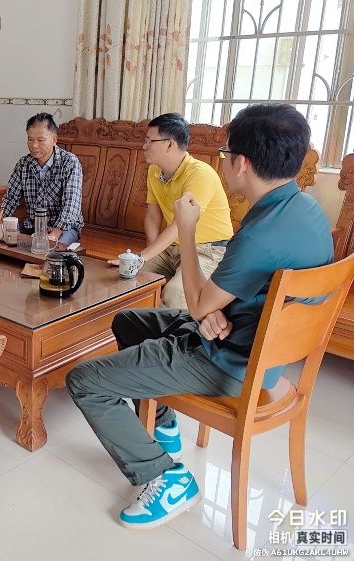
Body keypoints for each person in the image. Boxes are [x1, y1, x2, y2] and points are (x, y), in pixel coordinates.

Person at [67, 104, 333, 529]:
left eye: (226, 153)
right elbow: (235, 298)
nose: (223, 161)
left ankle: (166, 478)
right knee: (127, 321)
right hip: (256, 345)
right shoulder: (307, 210)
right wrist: (217, 310)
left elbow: (196, 305)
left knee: (84, 381)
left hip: (230, 364)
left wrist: (188, 231)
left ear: (241, 163)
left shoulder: (259, 234)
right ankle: (164, 421)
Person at [108, 113, 234, 308]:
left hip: (207, 250)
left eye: (149, 141)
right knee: (121, 274)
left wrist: (142, 257)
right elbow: (152, 217)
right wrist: (150, 256)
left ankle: (181, 327)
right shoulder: (154, 171)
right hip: (172, 249)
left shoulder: (200, 174)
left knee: (176, 293)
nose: (144, 146)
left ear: (169, 145)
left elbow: (180, 226)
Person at [0, 113, 84, 246]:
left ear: (54, 140)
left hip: (64, 228)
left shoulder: (70, 162)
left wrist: (53, 235)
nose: (34, 145)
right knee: (2, 237)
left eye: (40, 140)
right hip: (33, 225)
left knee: (51, 249)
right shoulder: (23, 164)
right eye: (30, 139)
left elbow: (71, 205)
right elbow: (10, 199)